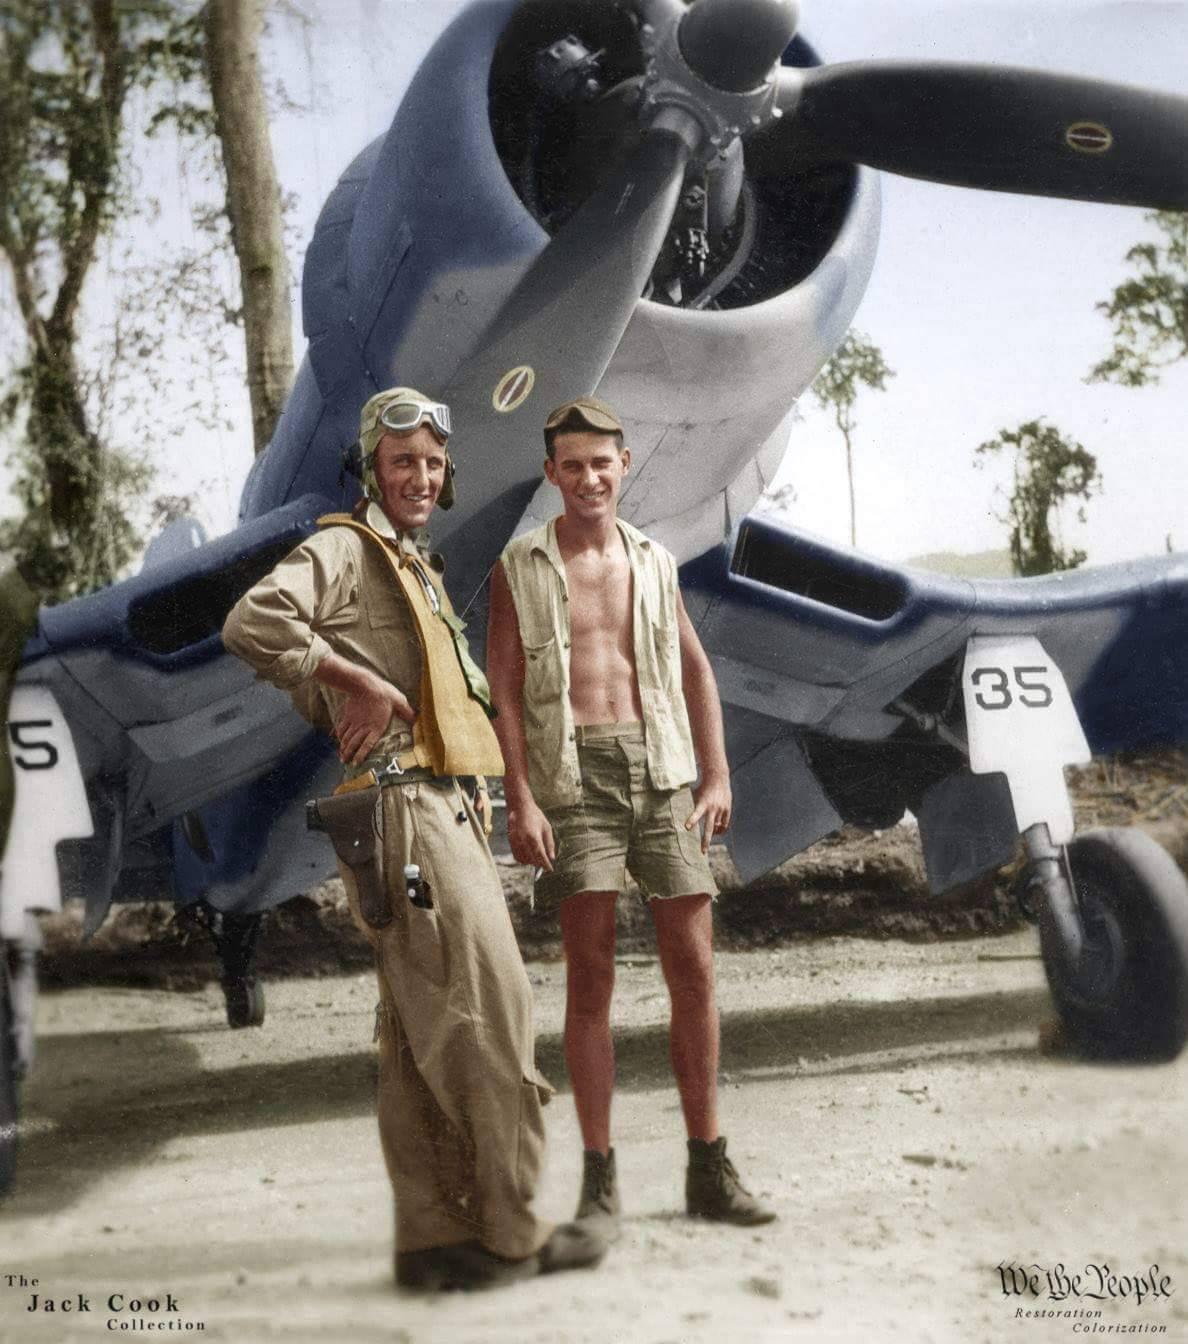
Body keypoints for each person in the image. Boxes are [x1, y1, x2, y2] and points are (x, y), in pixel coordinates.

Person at [223, 387, 604, 1291]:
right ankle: (511, 1232)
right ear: (373, 469)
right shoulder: (346, 549)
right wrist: (348, 676)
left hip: (434, 805)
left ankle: (436, 1241)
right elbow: (253, 621)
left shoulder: (413, 564)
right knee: (488, 1012)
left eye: (433, 463)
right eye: (403, 463)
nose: (421, 477)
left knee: (418, 1035)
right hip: (407, 807)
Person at [487, 395, 776, 1240]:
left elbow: (697, 671)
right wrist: (522, 797)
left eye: (601, 463)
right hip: (573, 780)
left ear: (622, 467)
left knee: (695, 971)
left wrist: (715, 776)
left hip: (661, 778)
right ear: (552, 474)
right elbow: (503, 688)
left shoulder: (656, 560)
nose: (588, 478)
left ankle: (707, 1167)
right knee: (592, 981)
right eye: (571, 465)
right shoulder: (521, 566)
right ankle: (600, 1183)